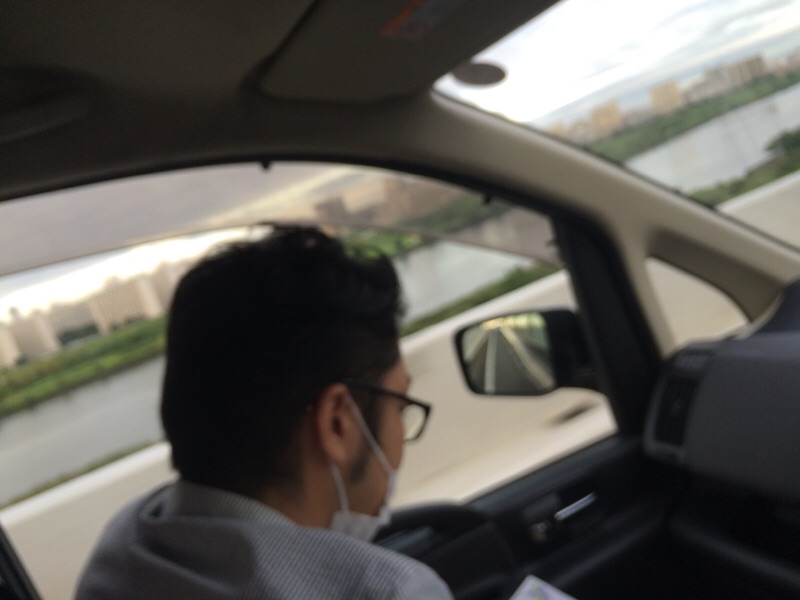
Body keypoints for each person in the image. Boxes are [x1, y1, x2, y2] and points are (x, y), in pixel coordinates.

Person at [76, 226, 453, 600]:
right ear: (337, 421)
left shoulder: (121, 549)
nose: (401, 434)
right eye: (400, 406)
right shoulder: (390, 591)